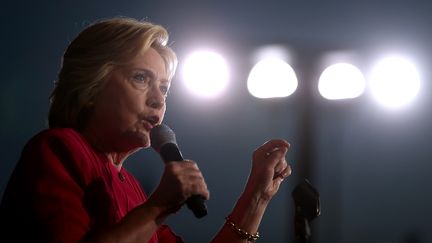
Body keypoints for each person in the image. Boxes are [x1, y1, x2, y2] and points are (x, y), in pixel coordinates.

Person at [0, 17, 292, 242]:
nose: (158, 100)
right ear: (91, 87)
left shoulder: (133, 189)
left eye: (164, 88)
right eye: (140, 78)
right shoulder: (58, 149)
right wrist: (156, 208)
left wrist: (257, 197)